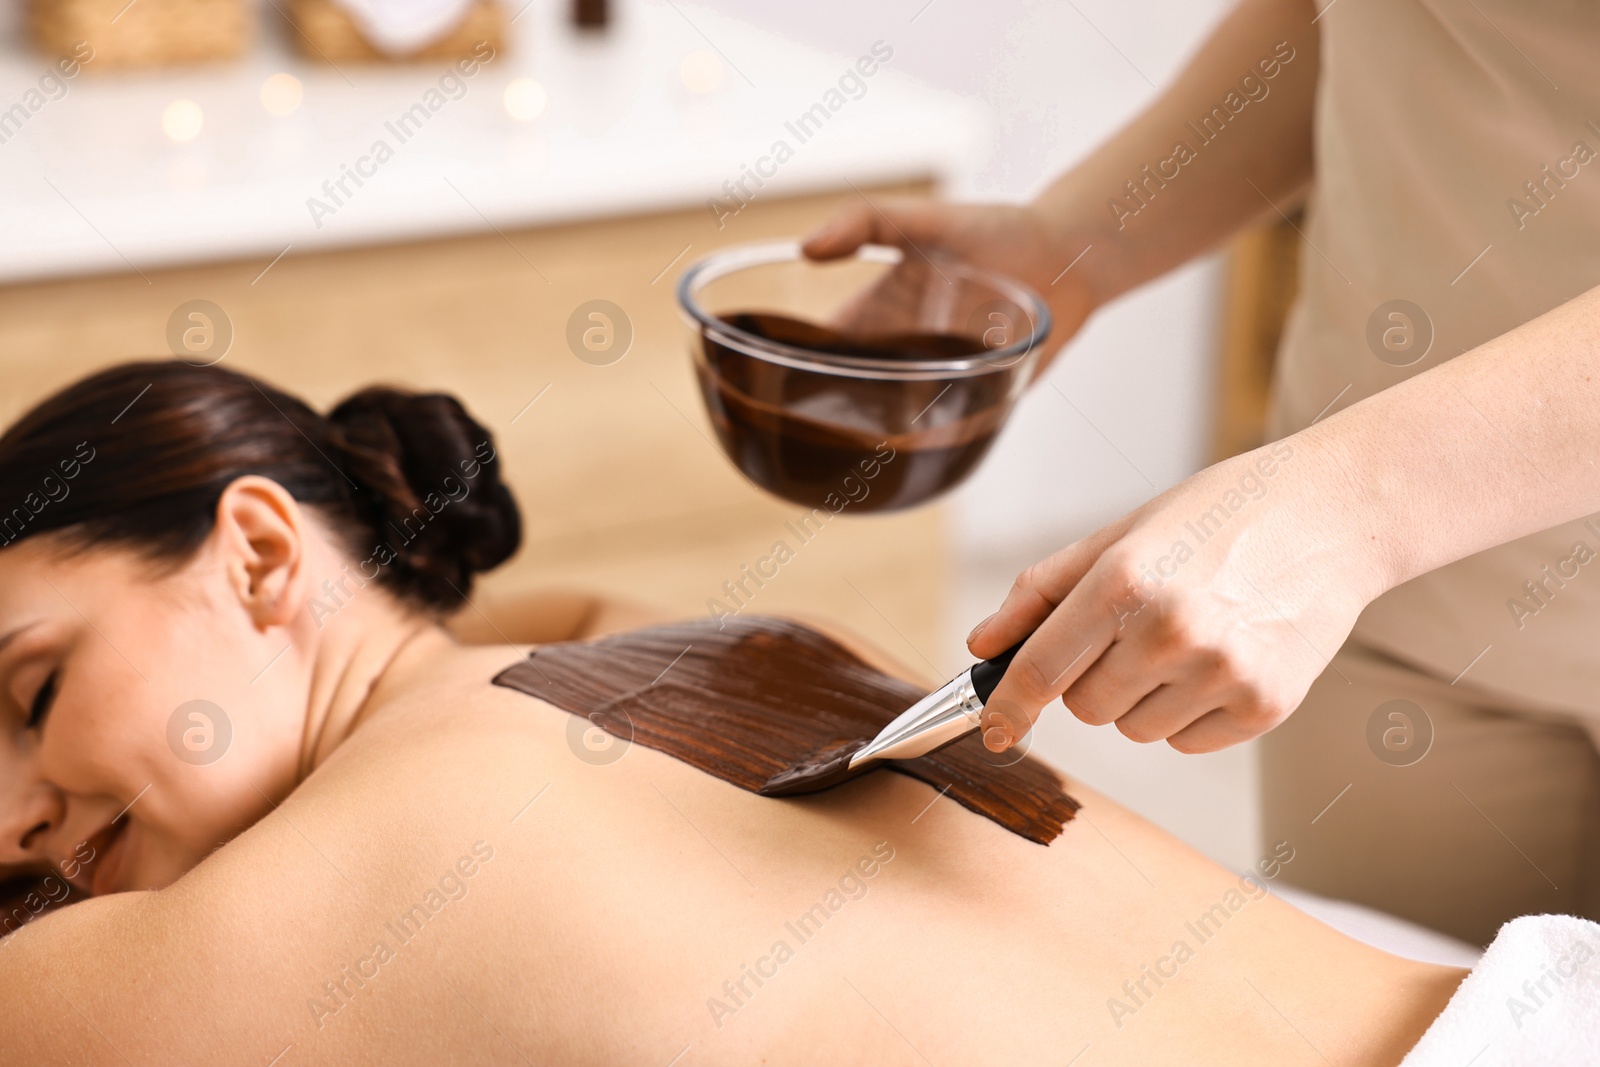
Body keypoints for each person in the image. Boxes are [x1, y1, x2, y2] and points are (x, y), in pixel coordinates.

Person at [0, 361, 1465, 1064]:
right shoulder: (716, 647)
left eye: (31, 690)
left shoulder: (256, 932)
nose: (14, 819)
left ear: (260, 551)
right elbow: (548, 616)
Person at [803, 0, 1600, 946]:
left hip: (1352, 526)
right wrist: (1077, 242)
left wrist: (1345, 508)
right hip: (1390, 619)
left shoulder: (1337, 517)